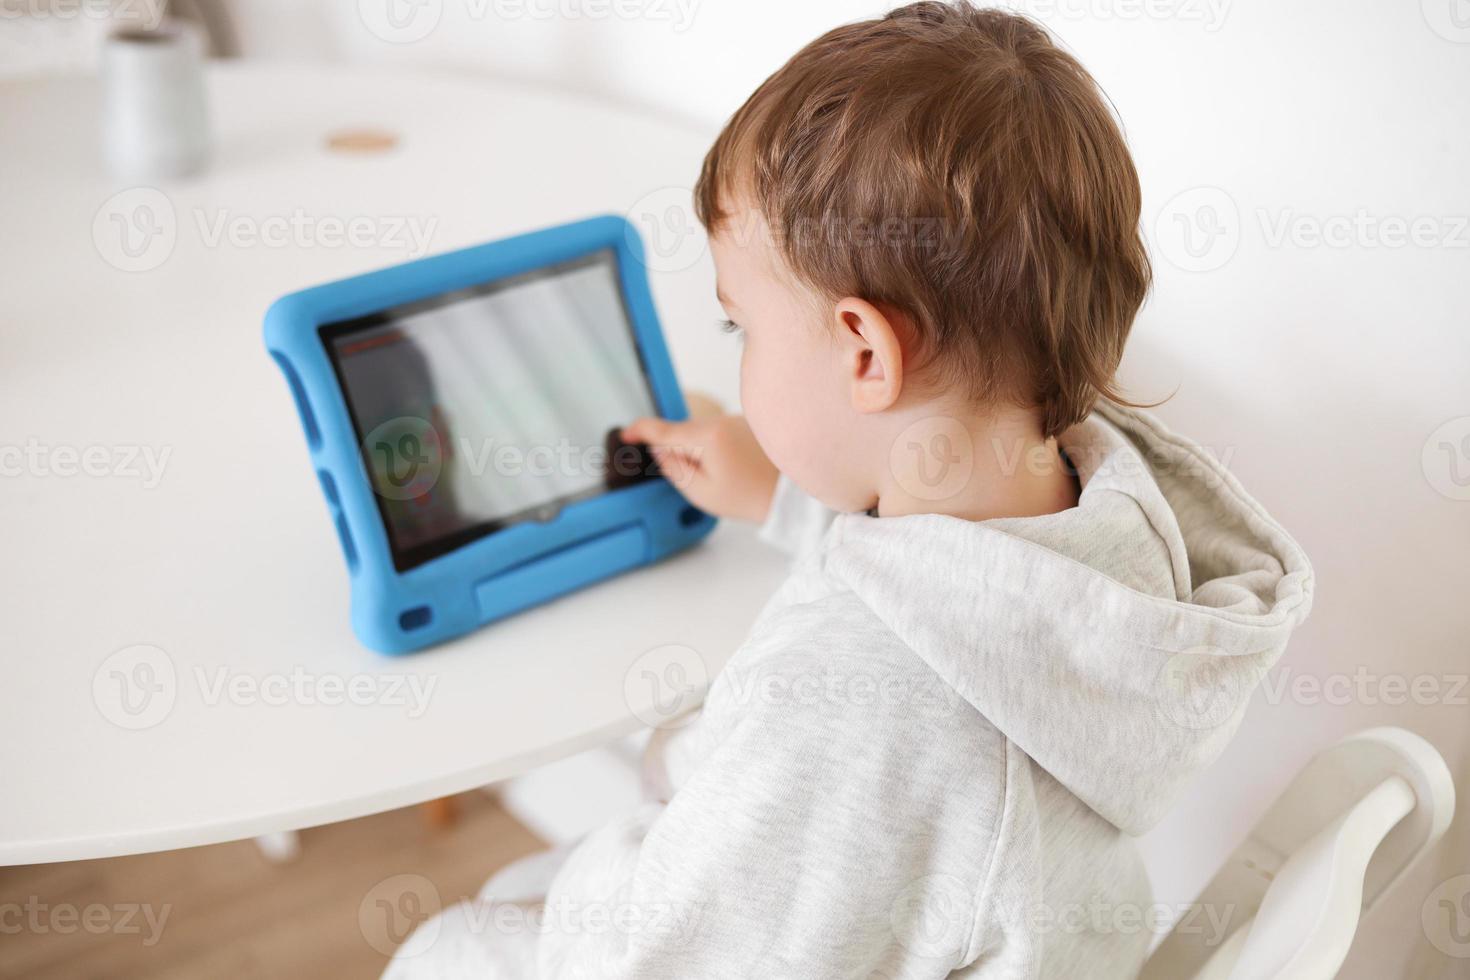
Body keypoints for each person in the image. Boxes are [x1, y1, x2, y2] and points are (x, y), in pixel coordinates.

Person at [388, 3, 1313, 976]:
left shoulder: (852, 707)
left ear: (866, 351)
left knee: (458, 936)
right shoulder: (1107, 520)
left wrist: (465, 939)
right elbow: (970, 594)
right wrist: (788, 499)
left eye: (740, 326)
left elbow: (661, 952)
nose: (739, 352)